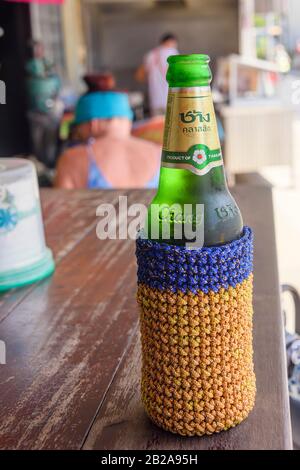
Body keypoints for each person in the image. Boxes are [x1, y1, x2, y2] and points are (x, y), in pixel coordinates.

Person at [55, 91, 160, 189]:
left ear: (93, 124)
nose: (78, 134)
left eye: (79, 128)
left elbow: (62, 207)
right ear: (127, 119)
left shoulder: (73, 158)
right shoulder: (161, 154)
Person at [136, 33, 179, 116]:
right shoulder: (172, 52)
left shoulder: (150, 54)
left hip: (155, 97)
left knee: (157, 125)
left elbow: (140, 76)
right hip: (171, 96)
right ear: (171, 41)